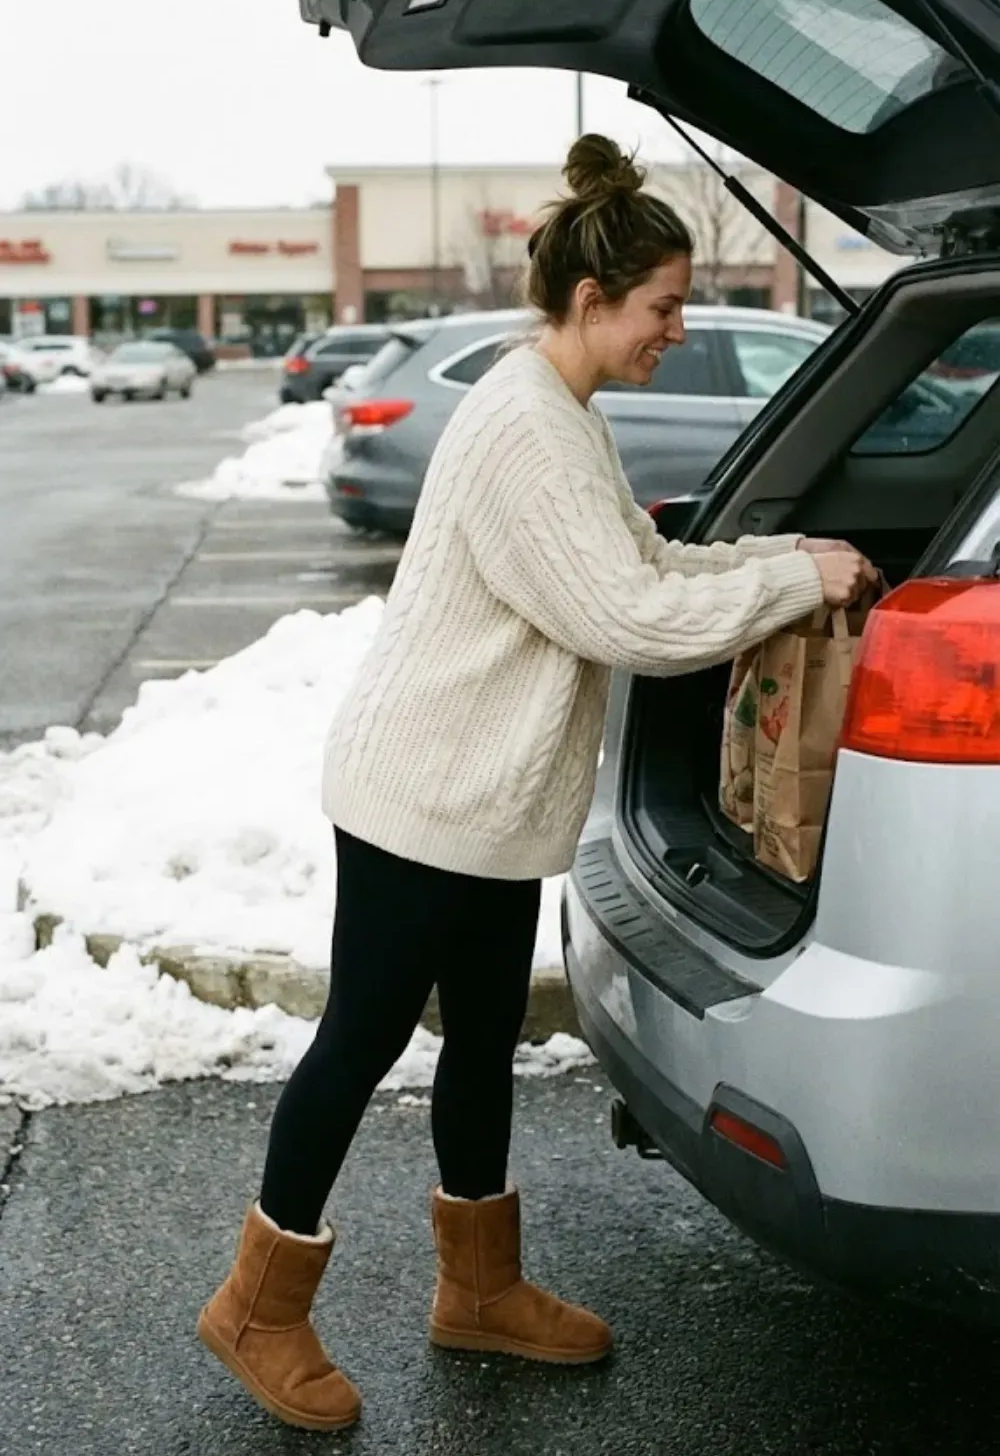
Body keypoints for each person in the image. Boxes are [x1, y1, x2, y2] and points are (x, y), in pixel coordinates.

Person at [197, 135, 874, 1432]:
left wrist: (792, 552)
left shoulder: (561, 416)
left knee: (484, 1042)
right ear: (591, 303)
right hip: (424, 797)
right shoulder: (524, 429)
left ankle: (480, 1288)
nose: (676, 329)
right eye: (664, 307)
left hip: (489, 809)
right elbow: (629, 616)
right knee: (365, 1039)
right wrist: (795, 585)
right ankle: (258, 1304)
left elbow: (651, 566)